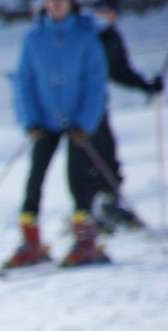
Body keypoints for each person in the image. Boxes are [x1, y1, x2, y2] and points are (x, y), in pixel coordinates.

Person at [8, 0, 109, 268]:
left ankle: (86, 241)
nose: (55, 5)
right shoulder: (33, 39)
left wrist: (85, 123)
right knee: (34, 179)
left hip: (77, 123)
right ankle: (31, 242)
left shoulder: (86, 38)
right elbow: (23, 81)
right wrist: (30, 120)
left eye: (60, 1)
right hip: (44, 121)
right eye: (50, 1)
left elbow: (96, 84)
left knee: (78, 179)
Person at [88, 0, 164, 230]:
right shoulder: (82, 35)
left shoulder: (111, 37)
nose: (106, 16)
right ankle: (86, 211)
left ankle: (108, 203)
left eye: (110, 12)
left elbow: (120, 71)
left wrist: (147, 86)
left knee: (107, 154)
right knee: (86, 157)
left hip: (97, 105)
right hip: (77, 107)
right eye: (101, 10)